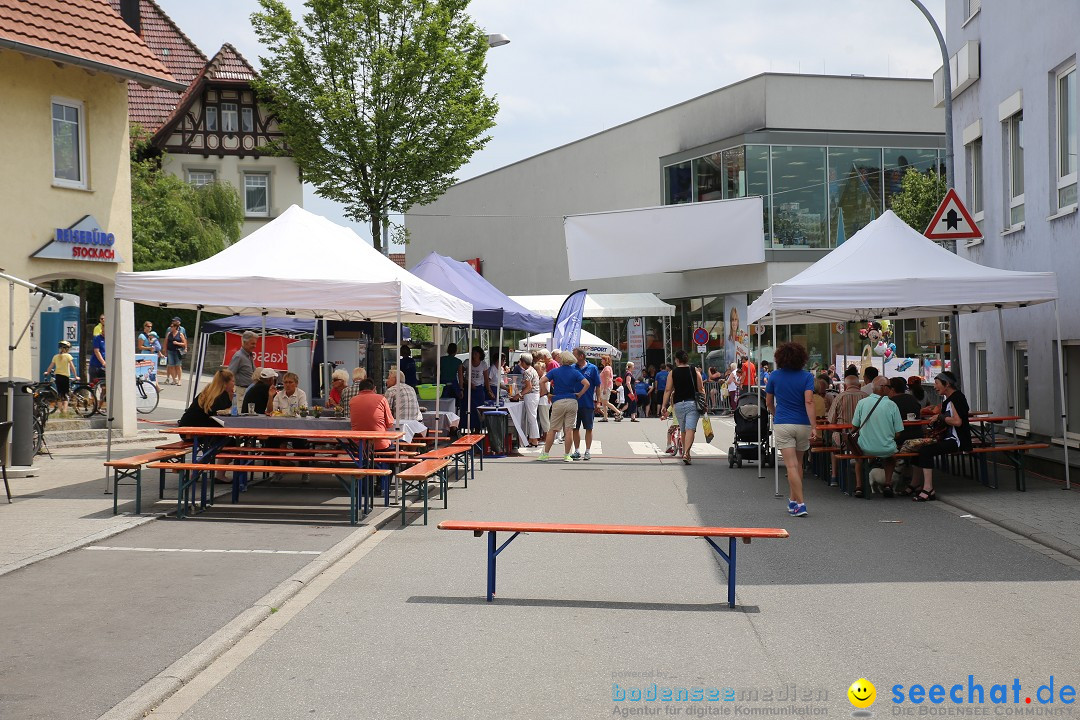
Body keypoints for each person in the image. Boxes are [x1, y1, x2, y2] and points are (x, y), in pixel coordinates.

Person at [764, 342, 817, 517]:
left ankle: (800, 503)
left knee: (791, 466)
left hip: (783, 422)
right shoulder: (807, 377)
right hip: (803, 424)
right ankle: (793, 501)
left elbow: (769, 402)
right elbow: (809, 402)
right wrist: (814, 426)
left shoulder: (774, 376)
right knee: (799, 464)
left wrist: (775, 413)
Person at [908, 371, 971, 502]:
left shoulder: (957, 398)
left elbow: (957, 422)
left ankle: (928, 488)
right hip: (948, 438)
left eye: (937, 384)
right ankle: (916, 484)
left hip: (957, 440)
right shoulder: (949, 398)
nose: (935, 387)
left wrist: (941, 417)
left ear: (946, 384)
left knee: (926, 451)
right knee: (919, 448)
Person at [849, 376, 904, 498]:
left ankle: (858, 486)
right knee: (890, 457)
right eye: (889, 386)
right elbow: (898, 432)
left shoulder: (862, 403)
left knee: (859, 458)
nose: (891, 389)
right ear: (883, 388)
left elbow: (854, 427)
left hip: (865, 447)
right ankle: (888, 484)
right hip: (886, 447)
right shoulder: (892, 405)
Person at [537, 351, 588, 462]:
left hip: (558, 400)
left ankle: (545, 454)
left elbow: (542, 381)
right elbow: (587, 384)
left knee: (553, 429)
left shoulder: (555, 371)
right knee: (569, 429)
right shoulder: (575, 372)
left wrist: (547, 393)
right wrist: (579, 394)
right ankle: (566, 455)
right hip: (571, 400)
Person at [661, 348, 705, 465]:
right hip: (692, 404)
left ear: (677, 360)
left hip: (678, 404)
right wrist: (704, 402)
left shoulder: (673, 373)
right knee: (691, 429)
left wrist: (664, 405)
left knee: (684, 429)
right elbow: (701, 389)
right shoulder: (694, 371)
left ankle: (686, 453)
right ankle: (686, 453)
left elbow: (668, 390)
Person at [826, 374, 868, 486]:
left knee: (834, 445)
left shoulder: (840, 397)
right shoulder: (866, 397)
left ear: (845, 385)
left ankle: (834, 476)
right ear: (859, 385)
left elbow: (831, 420)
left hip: (843, 437)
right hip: (863, 437)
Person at [570, 347, 602, 460]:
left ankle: (588, 451)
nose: (572, 357)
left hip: (588, 403)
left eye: (574, 355)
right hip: (574, 403)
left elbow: (598, 386)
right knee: (575, 428)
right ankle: (577, 450)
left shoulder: (592, 368)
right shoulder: (572, 368)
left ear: (581, 356)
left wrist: (598, 401)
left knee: (589, 428)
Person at [348, 378, 395, 452]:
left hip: (358, 445)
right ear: (374, 388)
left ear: (359, 390)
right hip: (379, 444)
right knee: (394, 445)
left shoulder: (352, 400)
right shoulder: (382, 399)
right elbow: (390, 423)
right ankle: (388, 463)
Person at [512, 353, 541, 446]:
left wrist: (519, 395)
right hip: (535, 395)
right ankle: (533, 438)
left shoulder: (527, 372)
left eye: (520, 361)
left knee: (532, 418)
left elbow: (528, 387)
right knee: (532, 417)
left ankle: (535, 439)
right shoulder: (532, 369)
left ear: (523, 362)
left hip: (531, 395)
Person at [45, 340, 78, 414]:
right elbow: (72, 367)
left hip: (58, 377)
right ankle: (65, 411)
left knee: (59, 394)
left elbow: (51, 366)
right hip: (65, 377)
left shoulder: (55, 357)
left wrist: (47, 372)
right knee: (65, 395)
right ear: (66, 349)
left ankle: (61, 411)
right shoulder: (68, 356)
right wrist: (76, 376)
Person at [466, 346, 491, 430]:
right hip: (469, 389)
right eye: (473, 353)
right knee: (470, 409)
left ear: (480, 355)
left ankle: (479, 427)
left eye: (476, 353)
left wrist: (488, 390)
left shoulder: (483, 364)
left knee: (479, 409)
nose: (474, 355)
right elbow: (460, 373)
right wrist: (467, 383)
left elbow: (486, 378)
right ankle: (470, 427)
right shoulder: (467, 362)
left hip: (479, 389)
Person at [228, 331, 258, 398]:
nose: (255, 346)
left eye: (255, 344)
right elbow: (229, 375)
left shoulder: (249, 356)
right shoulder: (239, 356)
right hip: (241, 393)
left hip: (249, 391)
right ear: (245, 342)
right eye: (252, 344)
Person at [164, 317, 187, 386]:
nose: (171, 327)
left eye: (172, 326)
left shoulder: (180, 333)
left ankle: (179, 380)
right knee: (171, 365)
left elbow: (184, 343)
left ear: (176, 327)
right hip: (170, 351)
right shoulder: (169, 333)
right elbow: (166, 342)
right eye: (171, 326)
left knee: (178, 366)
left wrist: (178, 343)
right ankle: (174, 380)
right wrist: (165, 351)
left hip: (178, 351)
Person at [536, 359, 551, 440]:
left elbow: (545, 391)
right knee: (543, 419)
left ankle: (547, 436)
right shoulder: (543, 377)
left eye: (537, 370)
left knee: (544, 419)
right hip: (543, 400)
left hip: (543, 400)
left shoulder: (544, 378)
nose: (536, 371)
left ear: (542, 369)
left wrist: (537, 396)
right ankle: (545, 435)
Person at [597, 355, 615, 422]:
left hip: (606, 387)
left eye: (602, 359)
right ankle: (605, 416)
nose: (601, 360)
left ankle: (618, 412)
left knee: (605, 402)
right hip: (605, 386)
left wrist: (604, 388)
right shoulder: (607, 368)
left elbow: (607, 378)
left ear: (606, 360)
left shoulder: (607, 368)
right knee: (604, 403)